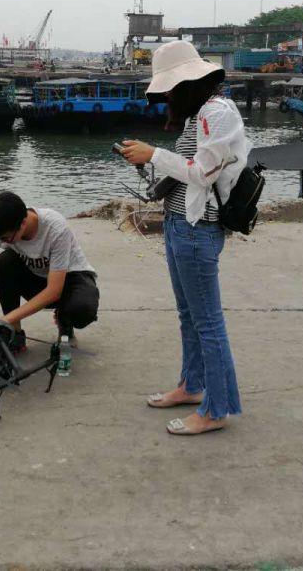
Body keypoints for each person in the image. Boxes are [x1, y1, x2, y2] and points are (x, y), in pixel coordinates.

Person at [119, 40, 249, 436]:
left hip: (198, 229)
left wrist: (154, 154)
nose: (168, 97)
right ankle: (192, 386)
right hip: (180, 223)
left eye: (170, 90)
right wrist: (151, 160)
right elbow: (189, 169)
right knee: (189, 315)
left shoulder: (217, 113)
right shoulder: (201, 115)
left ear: (188, 83)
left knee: (207, 321)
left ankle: (216, 408)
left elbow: (202, 172)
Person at [0, 191, 99, 352]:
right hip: (36, 279)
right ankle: (16, 334)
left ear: (23, 223)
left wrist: (2, 321)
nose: (2, 242)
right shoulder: (0, 228)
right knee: (4, 262)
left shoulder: (55, 228)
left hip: (70, 279)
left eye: (6, 239)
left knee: (82, 310)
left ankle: (64, 322)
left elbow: (54, 291)